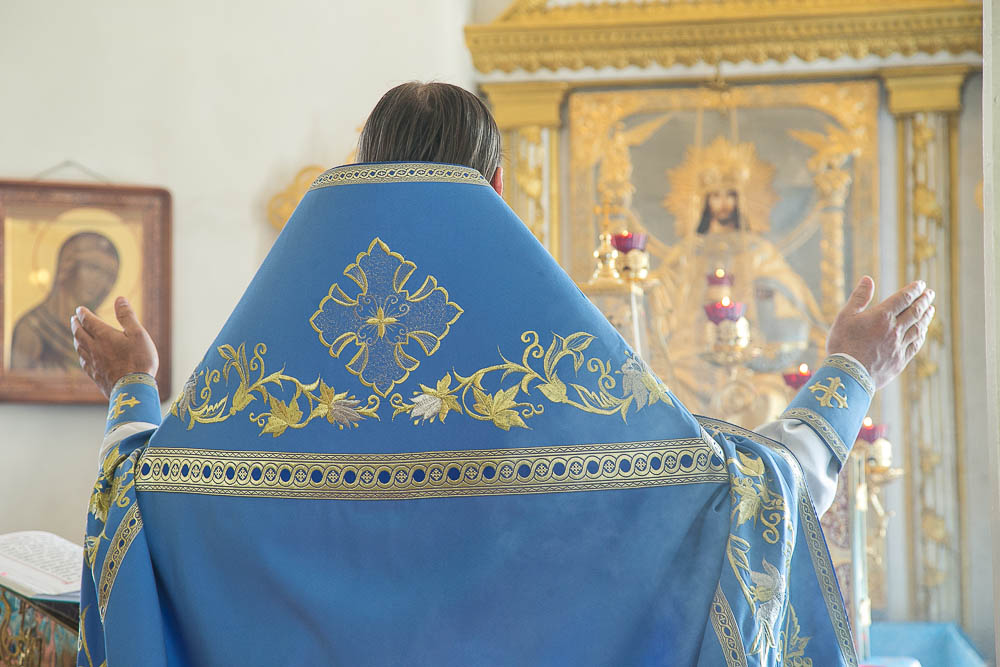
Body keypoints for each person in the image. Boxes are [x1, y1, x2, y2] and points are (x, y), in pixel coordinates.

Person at [70, 82, 934, 666]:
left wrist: (133, 388)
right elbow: (748, 502)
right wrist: (849, 374)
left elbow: (134, 510)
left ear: (364, 167)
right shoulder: (564, 396)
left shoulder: (252, 410)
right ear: (494, 183)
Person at [10, 231, 119, 371]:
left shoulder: (98, 335)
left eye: (109, 276)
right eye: (93, 268)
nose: (101, 282)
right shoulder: (32, 328)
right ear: (67, 267)